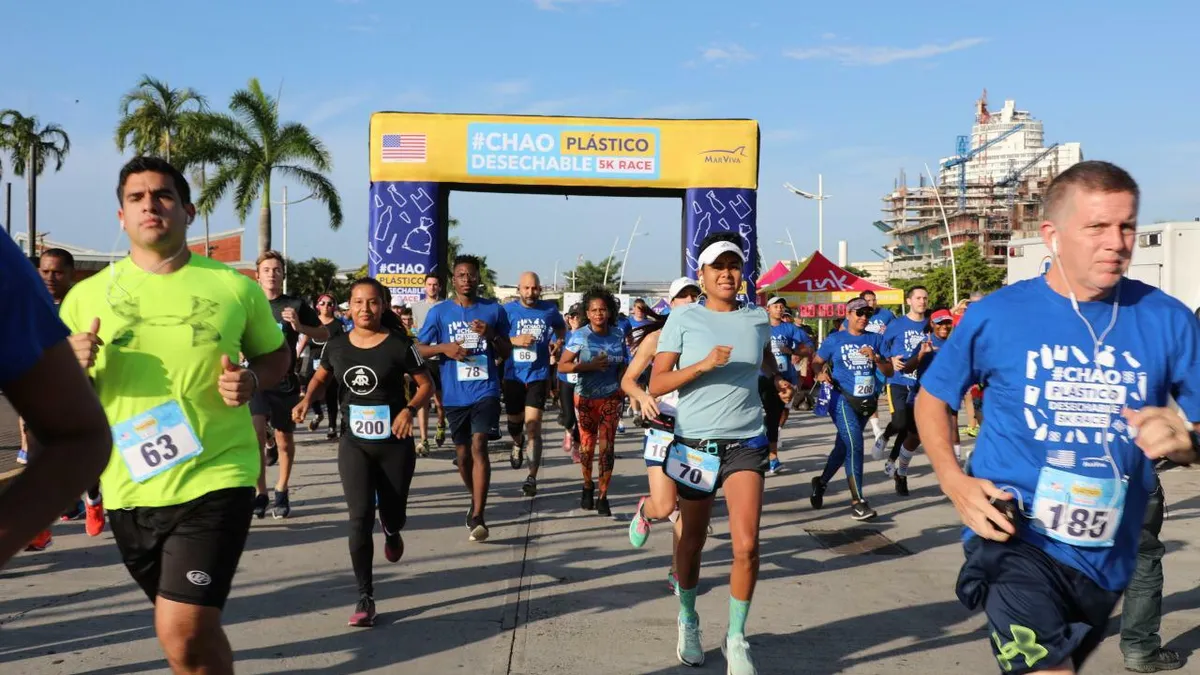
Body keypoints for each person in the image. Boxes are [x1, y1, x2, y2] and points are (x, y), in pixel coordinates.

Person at [914, 161, 1199, 675]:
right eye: (1097, 227)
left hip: (1108, 552)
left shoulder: (1168, 319)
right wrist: (953, 479)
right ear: (1052, 235)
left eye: (1127, 226)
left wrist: (1187, 445)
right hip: (1014, 534)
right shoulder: (998, 314)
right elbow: (933, 397)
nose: (1116, 242)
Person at [59, 156, 291, 674]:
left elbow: (277, 356)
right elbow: (62, 399)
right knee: (192, 636)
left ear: (187, 211)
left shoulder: (234, 286)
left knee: (181, 629)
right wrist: (71, 368)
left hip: (217, 475)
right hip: (130, 486)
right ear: (121, 216)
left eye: (163, 195)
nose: (150, 205)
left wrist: (253, 379)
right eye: (136, 198)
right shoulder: (85, 298)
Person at [649, 232, 792, 673]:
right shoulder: (683, 318)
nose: (727, 274)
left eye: (734, 266)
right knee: (692, 541)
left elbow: (763, 359)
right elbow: (657, 383)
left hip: (746, 443)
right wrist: (703, 365)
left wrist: (778, 380)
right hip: (695, 446)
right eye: (718, 267)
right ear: (703, 274)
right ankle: (688, 617)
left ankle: (736, 637)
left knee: (746, 546)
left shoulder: (757, 318)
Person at [292, 278, 432, 627]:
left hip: (394, 443)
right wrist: (307, 399)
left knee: (394, 513)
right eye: (358, 302)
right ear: (349, 306)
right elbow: (321, 377)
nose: (365, 309)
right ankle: (365, 597)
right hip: (354, 443)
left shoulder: (400, 345)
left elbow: (425, 384)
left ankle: (392, 529)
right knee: (359, 517)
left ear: (382, 306)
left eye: (372, 302)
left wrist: (409, 411)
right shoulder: (336, 345)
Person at [0, 234, 110, 564]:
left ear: (72, 274)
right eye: (45, 271)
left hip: (84, 392)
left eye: (57, 272)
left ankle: (92, 497)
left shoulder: (83, 301)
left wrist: (84, 349)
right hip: (35, 400)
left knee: (74, 449)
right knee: (37, 453)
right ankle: (40, 528)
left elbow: (83, 438)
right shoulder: (29, 293)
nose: (50, 277)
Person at [417, 255, 511, 542]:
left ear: (478, 278)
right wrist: (443, 348)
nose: (467, 280)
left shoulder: (494, 310)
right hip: (454, 395)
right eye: (461, 275)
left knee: (479, 444)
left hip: (486, 390)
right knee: (462, 457)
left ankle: (479, 515)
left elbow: (507, 351)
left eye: (471, 275)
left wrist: (491, 334)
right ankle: (475, 498)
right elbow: (418, 348)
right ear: (453, 280)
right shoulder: (439, 312)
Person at [624, 277, 700, 592]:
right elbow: (628, 379)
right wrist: (642, 397)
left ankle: (677, 570)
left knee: (687, 510)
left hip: (696, 430)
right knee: (666, 506)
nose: (691, 301)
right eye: (684, 296)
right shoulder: (657, 338)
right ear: (672, 303)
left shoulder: (708, 337)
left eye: (695, 295)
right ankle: (646, 509)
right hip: (662, 426)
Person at [251, 251, 328, 519]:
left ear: (283, 274)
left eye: (276, 269)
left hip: (284, 381)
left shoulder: (295, 304)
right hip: (256, 379)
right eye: (266, 269)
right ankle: (260, 492)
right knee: (255, 435)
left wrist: (299, 326)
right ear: (257, 275)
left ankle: (281, 489)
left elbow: (324, 333)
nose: (272, 274)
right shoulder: (248, 302)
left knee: (284, 440)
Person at [809, 297, 895, 521]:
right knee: (855, 444)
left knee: (842, 448)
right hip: (841, 399)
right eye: (859, 313)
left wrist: (876, 358)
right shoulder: (835, 339)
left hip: (865, 402)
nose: (864, 317)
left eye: (868, 314)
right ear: (848, 314)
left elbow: (889, 371)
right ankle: (858, 502)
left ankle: (821, 482)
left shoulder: (876, 339)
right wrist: (820, 373)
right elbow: (816, 361)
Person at [558, 287, 629, 516]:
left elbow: (624, 363)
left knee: (607, 448)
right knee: (587, 447)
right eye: (594, 310)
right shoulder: (580, 336)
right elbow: (562, 366)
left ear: (609, 312)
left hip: (612, 397)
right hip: (586, 398)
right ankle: (587, 485)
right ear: (587, 314)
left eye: (603, 309)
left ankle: (603, 496)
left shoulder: (618, 334)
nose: (599, 314)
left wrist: (624, 385)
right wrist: (590, 366)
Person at [502, 272, 566, 496]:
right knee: (514, 424)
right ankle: (517, 442)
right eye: (526, 288)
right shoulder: (507, 311)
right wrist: (515, 340)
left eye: (534, 288)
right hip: (513, 376)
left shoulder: (549, 310)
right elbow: (495, 338)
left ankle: (532, 477)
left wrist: (558, 342)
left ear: (540, 289)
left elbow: (561, 328)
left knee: (533, 427)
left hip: (538, 375)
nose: (530, 293)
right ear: (519, 289)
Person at [876, 285, 930, 496]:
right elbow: (881, 347)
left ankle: (896, 466)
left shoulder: (930, 324)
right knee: (899, 422)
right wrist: (890, 359)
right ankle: (884, 437)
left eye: (925, 298)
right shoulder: (897, 324)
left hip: (920, 385)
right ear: (909, 301)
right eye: (918, 298)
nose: (922, 301)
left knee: (911, 430)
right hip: (898, 381)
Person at [762, 296, 813, 475]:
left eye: (781, 306)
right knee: (762, 417)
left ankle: (772, 457)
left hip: (784, 378)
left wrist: (793, 351)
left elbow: (809, 346)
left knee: (775, 416)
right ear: (768, 309)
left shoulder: (789, 328)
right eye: (775, 306)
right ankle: (764, 453)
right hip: (763, 377)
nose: (779, 309)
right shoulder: (760, 327)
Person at [297, 293, 344, 439]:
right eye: (322, 303)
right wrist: (297, 354)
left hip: (330, 363)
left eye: (330, 304)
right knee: (310, 390)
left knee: (330, 394)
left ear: (334, 307)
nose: (326, 306)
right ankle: (318, 413)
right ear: (317, 306)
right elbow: (305, 338)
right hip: (312, 360)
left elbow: (342, 344)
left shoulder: (337, 325)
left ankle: (332, 426)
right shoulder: (313, 321)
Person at [413, 274, 447, 454]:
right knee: (423, 399)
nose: (432, 287)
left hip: (441, 357)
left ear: (439, 287)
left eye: (435, 284)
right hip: (424, 359)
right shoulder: (416, 307)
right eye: (429, 284)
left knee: (440, 402)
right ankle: (423, 439)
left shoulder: (446, 306)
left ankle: (441, 424)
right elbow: (417, 331)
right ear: (424, 287)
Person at [556, 305, 585, 461]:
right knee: (569, 417)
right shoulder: (564, 335)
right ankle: (568, 431)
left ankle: (577, 447)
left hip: (582, 381)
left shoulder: (588, 335)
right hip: (565, 379)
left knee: (581, 418)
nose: (574, 319)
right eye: (572, 316)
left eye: (577, 316)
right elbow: (553, 349)